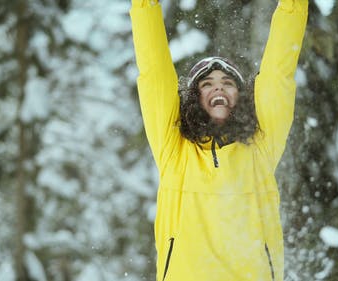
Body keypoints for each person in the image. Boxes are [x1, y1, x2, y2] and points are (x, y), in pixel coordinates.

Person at [130, 0, 308, 280]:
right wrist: (145, 6)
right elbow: (154, 75)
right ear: (194, 98)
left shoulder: (260, 148)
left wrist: (293, 6)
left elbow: (278, 76)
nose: (219, 89)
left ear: (240, 97)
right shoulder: (174, 150)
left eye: (227, 83)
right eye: (207, 84)